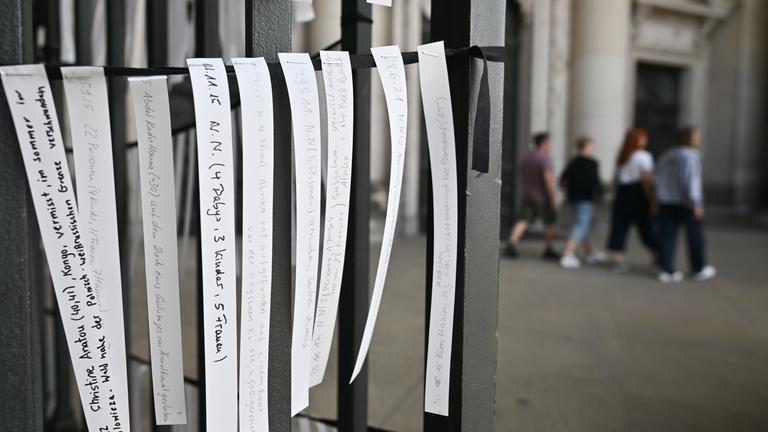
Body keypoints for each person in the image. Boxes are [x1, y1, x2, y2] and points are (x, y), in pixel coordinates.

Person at [654, 127, 716, 282]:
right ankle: (698, 268)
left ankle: (665, 269)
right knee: (695, 236)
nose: (698, 139)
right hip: (685, 203)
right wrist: (696, 203)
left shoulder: (668, 155)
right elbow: (690, 182)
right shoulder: (690, 157)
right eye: (696, 136)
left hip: (667, 201)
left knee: (667, 236)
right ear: (689, 138)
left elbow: (657, 176)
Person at [606, 128, 657, 271]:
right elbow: (646, 178)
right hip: (637, 192)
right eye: (643, 137)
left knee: (620, 225)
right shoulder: (643, 156)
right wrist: (650, 197)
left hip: (623, 193)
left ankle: (616, 259)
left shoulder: (624, 155)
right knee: (647, 226)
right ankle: (656, 258)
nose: (646, 140)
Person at [502, 132, 559, 260]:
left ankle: (512, 242)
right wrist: (552, 198)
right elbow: (548, 179)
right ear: (544, 143)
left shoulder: (528, 158)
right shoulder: (544, 158)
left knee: (523, 220)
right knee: (549, 222)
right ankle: (548, 249)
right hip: (542, 196)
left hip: (528, 195)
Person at [558, 136, 605, 268]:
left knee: (585, 225)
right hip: (585, 198)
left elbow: (563, 180)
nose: (592, 148)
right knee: (580, 224)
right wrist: (599, 194)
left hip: (574, 197)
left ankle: (589, 252)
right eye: (591, 146)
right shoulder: (591, 163)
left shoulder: (573, 162)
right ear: (586, 147)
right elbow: (594, 181)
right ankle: (567, 254)